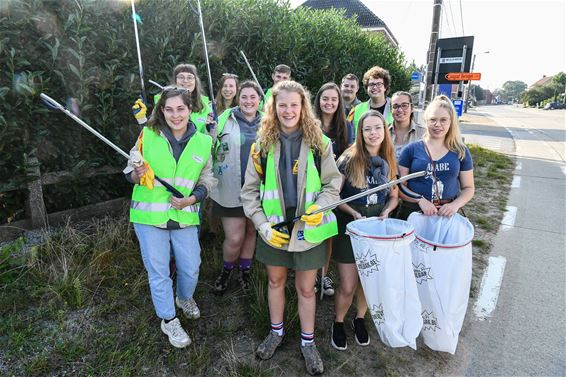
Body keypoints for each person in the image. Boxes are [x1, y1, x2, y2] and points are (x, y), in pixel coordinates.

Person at [241, 80, 341, 375]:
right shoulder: (261, 146)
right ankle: (276, 333)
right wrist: (261, 226)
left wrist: (317, 209)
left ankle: (308, 343)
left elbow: (333, 184)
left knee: (306, 288)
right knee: (275, 282)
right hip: (274, 231)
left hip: (308, 231)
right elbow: (249, 193)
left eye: (294, 105)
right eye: (281, 105)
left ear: (303, 107)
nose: (288, 111)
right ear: (273, 108)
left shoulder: (320, 143)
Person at [124, 87, 216, 348]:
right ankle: (169, 319)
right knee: (159, 270)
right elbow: (130, 172)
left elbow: (207, 179)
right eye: (169, 109)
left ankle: (184, 297)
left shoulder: (203, 142)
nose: (175, 115)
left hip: (184, 213)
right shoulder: (147, 136)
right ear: (161, 111)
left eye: (181, 109)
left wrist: (192, 199)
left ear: (190, 110)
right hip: (148, 216)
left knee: (191, 266)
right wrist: (137, 173)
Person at [331, 110, 399, 351]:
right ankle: (338, 323)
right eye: (367, 129)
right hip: (351, 227)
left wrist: (387, 211)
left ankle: (359, 319)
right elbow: (334, 196)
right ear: (360, 132)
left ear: (385, 130)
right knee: (348, 285)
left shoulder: (389, 158)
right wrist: (353, 214)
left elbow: (393, 196)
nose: (373, 133)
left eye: (377, 128)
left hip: (375, 229)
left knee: (368, 282)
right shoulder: (348, 159)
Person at [210, 80, 263, 293]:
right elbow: (211, 144)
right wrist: (210, 130)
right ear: (238, 98)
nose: (248, 101)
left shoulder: (269, 121)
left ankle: (245, 270)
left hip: (258, 189)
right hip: (230, 187)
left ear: (259, 99)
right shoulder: (224, 118)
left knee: (251, 231)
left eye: (253, 97)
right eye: (244, 97)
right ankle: (226, 270)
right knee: (234, 237)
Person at [397, 95, 474, 220]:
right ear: (426, 120)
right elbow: (400, 187)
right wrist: (420, 200)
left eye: (443, 120)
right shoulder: (410, 150)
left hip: (447, 215)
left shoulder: (460, 151)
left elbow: (469, 188)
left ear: (451, 122)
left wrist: (454, 205)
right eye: (433, 120)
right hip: (413, 213)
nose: (437, 124)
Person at [312, 82, 355, 297]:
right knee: (310, 227)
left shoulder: (346, 127)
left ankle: (323, 274)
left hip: (334, 187)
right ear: (318, 100)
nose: (329, 103)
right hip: (310, 185)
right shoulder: (309, 123)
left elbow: (350, 157)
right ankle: (307, 274)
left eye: (334, 99)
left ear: (339, 103)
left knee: (328, 231)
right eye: (325, 98)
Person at [133, 64, 213, 134]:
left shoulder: (205, 105)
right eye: (181, 77)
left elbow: (211, 139)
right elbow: (151, 132)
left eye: (190, 77)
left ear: (195, 81)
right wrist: (141, 119)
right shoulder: (162, 101)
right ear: (175, 80)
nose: (185, 81)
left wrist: (210, 130)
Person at [348, 66, 393, 132]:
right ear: (367, 87)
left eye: (379, 84)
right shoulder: (356, 110)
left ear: (385, 87)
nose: (375, 87)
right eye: (371, 84)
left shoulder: (395, 108)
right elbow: (348, 135)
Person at [390, 91, 426, 160]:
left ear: (412, 108)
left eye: (404, 105)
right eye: (395, 106)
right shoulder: (383, 132)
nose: (400, 110)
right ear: (391, 109)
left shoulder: (424, 134)